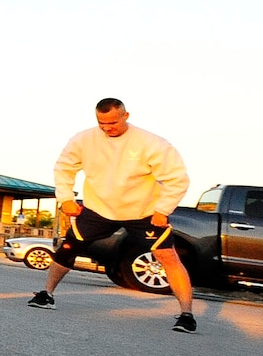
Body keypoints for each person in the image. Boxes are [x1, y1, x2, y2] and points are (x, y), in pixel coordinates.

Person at [28, 99, 196, 332]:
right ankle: (46, 294)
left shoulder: (151, 143)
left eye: (113, 122)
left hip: (143, 211)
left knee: (166, 255)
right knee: (69, 246)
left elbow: (177, 178)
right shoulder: (84, 139)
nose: (107, 128)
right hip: (99, 208)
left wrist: (162, 210)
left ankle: (186, 315)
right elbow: (64, 167)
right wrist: (65, 198)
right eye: (102, 123)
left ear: (126, 115)